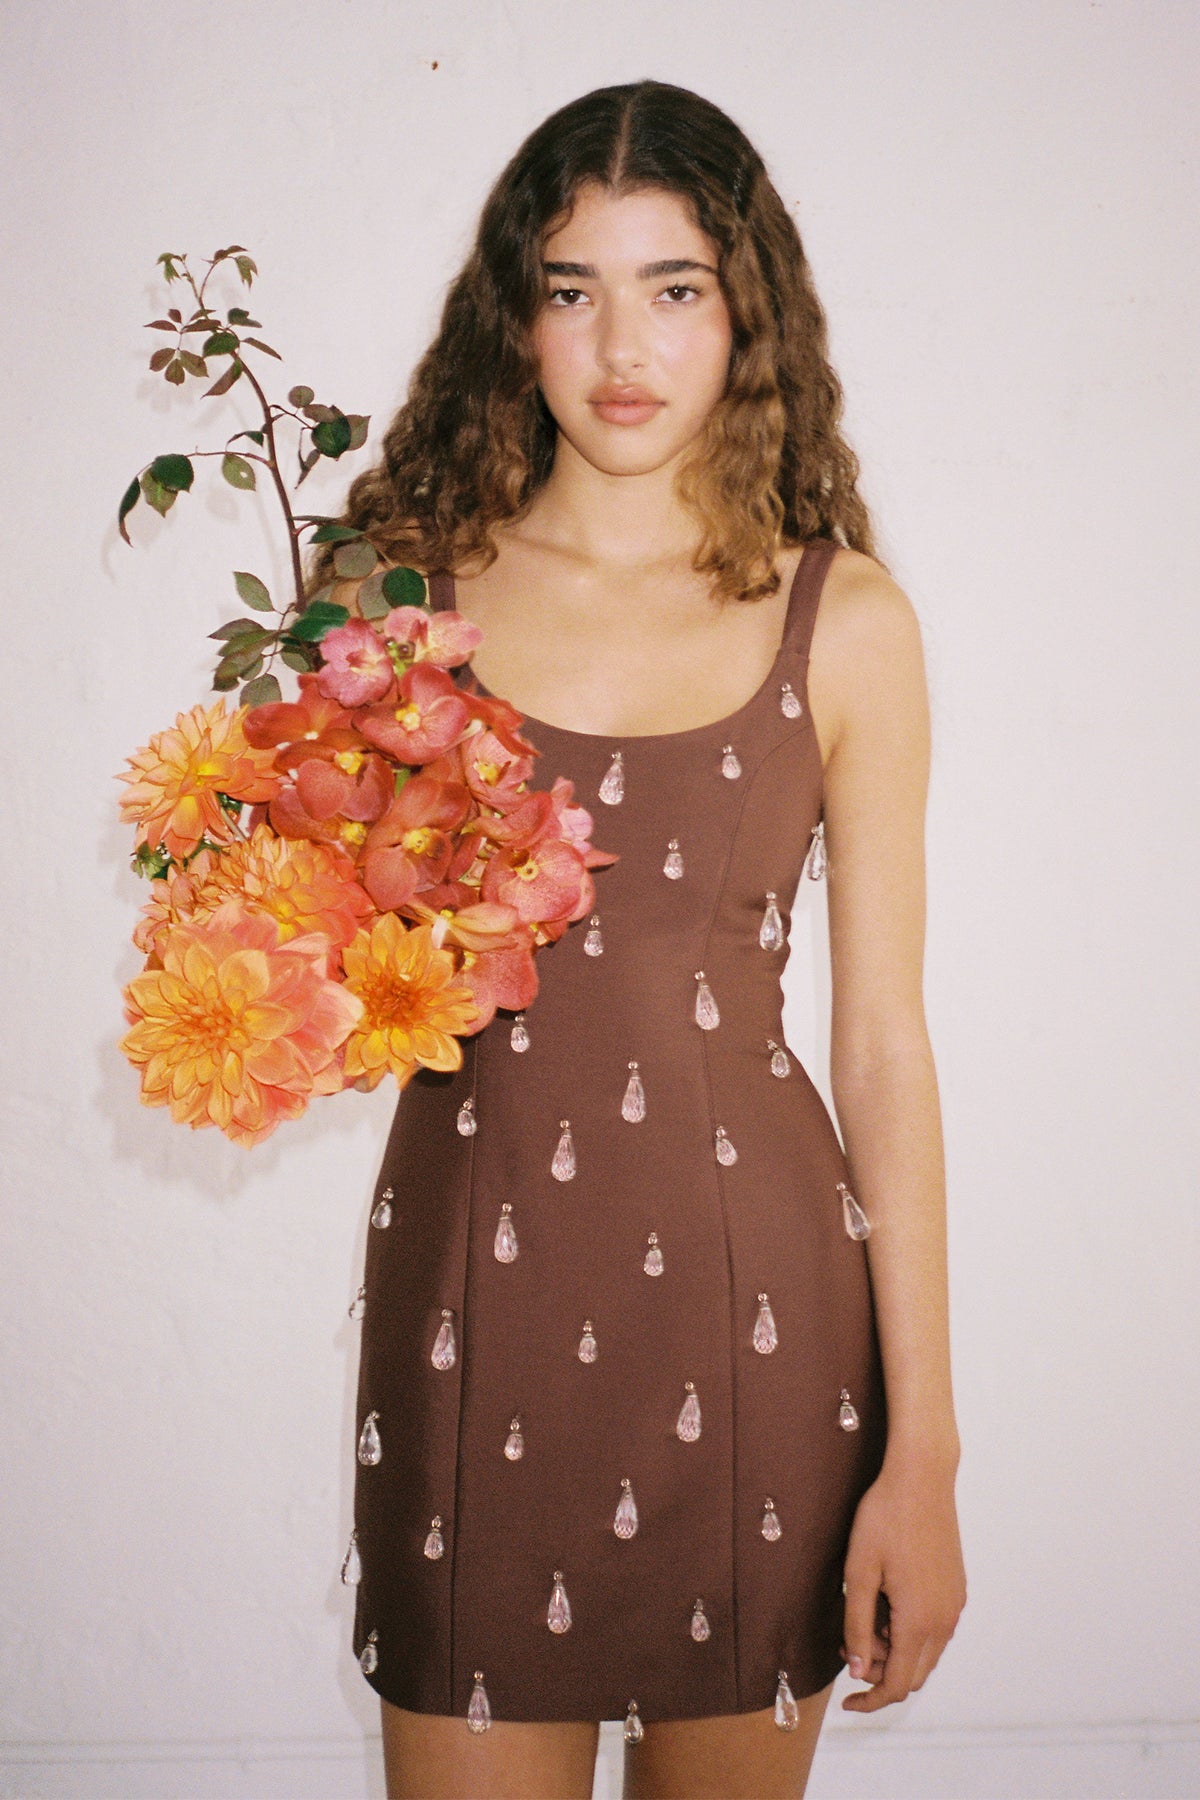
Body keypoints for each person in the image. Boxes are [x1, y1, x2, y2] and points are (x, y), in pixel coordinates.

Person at [317, 78, 966, 1800]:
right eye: (572, 287)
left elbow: (882, 1046)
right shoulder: (398, 602)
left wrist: (928, 1458)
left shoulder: (848, 620)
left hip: (760, 1328)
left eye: (675, 288)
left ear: (747, 312)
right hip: (473, 1309)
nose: (622, 346)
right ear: (512, 316)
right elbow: (331, 966)